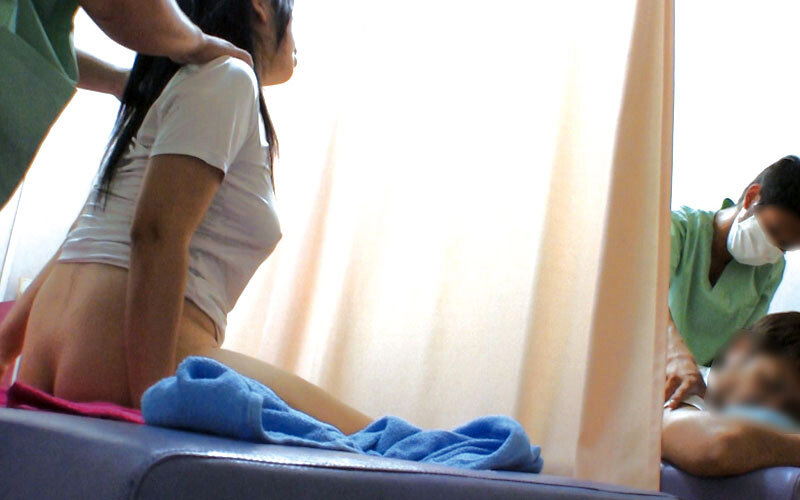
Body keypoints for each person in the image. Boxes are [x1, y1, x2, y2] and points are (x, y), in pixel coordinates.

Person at [0, 0, 373, 435]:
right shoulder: (229, 77)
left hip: (47, 353)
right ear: (259, 8)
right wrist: (157, 398)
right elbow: (155, 233)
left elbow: (85, 235)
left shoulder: (164, 93)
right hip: (117, 356)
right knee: (377, 440)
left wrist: (9, 343)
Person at [0, 0, 255, 209]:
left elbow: (35, 35)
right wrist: (197, 44)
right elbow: (117, 6)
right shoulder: (232, 79)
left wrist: (117, 81)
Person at [665, 156, 800, 409]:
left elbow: (744, 348)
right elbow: (645, 300)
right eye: (773, 231)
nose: (772, 250)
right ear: (752, 197)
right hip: (647, 368)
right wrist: (675, 355)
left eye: (784, 247)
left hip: (701, 392)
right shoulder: (679, 230)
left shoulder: (770, 270)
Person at [662, 312, 800, 476]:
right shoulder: (679, 385)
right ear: (740, 348)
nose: (771, 409)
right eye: (769, 384)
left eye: (790, 408)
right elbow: (714, 447)